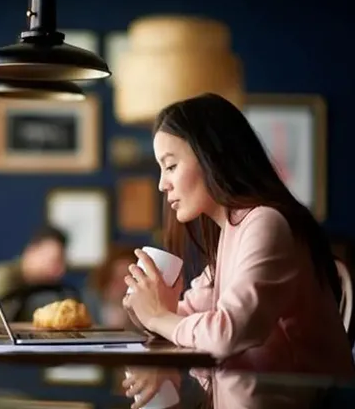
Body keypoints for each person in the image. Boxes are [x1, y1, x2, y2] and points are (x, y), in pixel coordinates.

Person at [123, 93, 354, 376]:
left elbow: (226, 334)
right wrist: (150, 307)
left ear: (213, 157)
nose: (162, 185)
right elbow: (188, 317)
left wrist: (159, 317)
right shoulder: (233, 231)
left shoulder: (265, 223)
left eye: (171, 166)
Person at [0, 224, 68, 327]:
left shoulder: (32, 287)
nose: (60, 271)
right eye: (54, 261)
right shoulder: (1, 279)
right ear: (32, 251)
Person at [83, 243, 138, 327]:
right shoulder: (90, 300)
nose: (117, 282)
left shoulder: (142, 308)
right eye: (114, 275)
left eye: (125, 277)